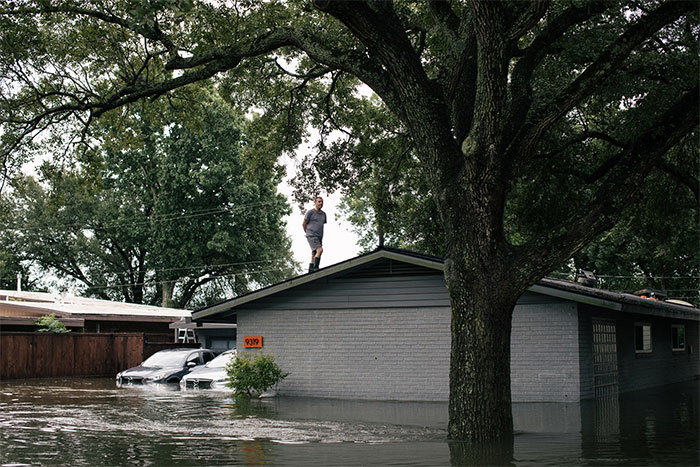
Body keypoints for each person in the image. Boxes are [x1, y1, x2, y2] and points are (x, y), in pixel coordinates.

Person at [302, 196, 327, 273]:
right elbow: (304, 223)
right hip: (311, 235)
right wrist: (307, 233)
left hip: (319, 236)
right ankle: (316, 268)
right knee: (320, 250)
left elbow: (321, 224)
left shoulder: (324, 214)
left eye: (322, 202)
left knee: (314, 253)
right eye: (319, 201)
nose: (321, 203)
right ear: (315, 203)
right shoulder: (310, 212)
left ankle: (310, 270)